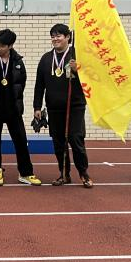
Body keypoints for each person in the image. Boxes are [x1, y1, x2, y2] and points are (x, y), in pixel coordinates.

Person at [0, 29, 41, 186]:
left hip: (13, 110)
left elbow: (22, 83)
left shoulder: (18, 63)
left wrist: (16, 100)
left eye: (3, 46)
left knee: (21, 142)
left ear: (11, 46)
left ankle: (26, 173)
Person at [33, 23, 92, 188]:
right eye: (53, 36)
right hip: (54, 108)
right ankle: (64, 174)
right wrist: (37, 107)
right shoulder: (46, 59)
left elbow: (92, 78)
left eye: (58, 35)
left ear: (68, 37)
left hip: (74, 107)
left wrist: (78, 70)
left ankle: (83, 173)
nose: (55, 39)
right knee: (59, 143)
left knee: (75, 139)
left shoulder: (77, 56)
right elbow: (39, 85)